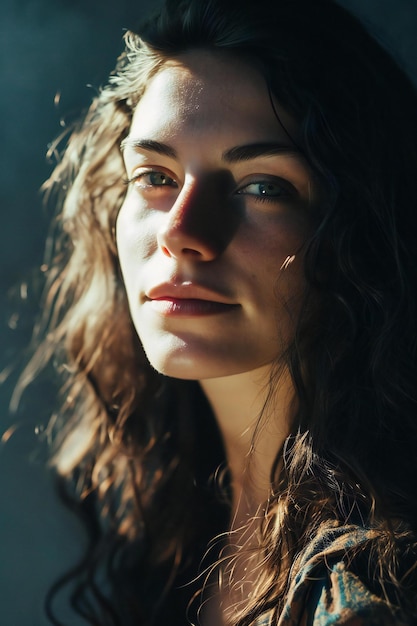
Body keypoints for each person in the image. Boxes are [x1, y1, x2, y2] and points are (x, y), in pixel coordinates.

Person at [16, 0, 417, 623]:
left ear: (360, 233)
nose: (182, 232)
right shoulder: (174, 525)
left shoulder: (378, 590)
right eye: (154, 175)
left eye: (264, 186)